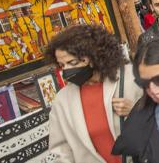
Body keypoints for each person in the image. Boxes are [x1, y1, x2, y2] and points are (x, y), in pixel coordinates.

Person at [46, 25, 142, 163]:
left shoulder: (132, 77)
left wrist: (136, 111)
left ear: (93, 57)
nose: (65, 70)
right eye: (61, 65)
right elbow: (61, 149)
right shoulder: (62, 101)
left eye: (72, 62)